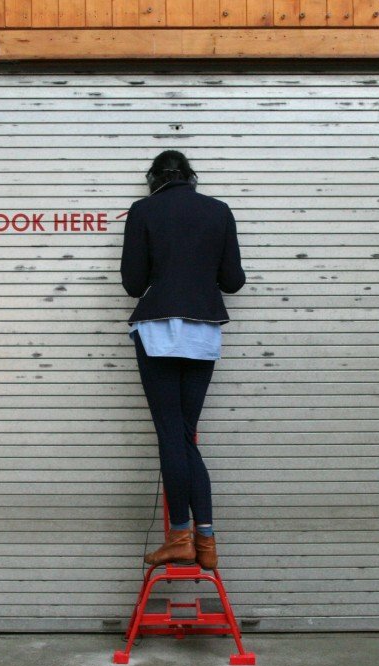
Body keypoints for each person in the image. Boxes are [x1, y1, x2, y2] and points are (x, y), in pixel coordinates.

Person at [120, 150, 246, 570]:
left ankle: (179, 536)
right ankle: (206, 541)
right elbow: (234, 281)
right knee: (187, 434)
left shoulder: (143, 211)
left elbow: (132, 282)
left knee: (171, 434)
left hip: (157, 328)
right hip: (203, 326)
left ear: (153, 178)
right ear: (191, 177)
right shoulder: (219, 211)